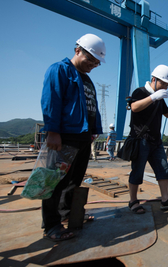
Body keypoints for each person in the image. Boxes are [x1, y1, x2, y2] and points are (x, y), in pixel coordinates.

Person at [40, 33, 105, 241]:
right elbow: (51, 100)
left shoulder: (86, 78)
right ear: (77, 50)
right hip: (65, 136)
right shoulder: (60, 70)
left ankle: (68, 214)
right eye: (91, 60)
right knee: (55, 181)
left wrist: (95, 129)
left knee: (74, 181)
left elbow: (90, 106)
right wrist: (53, 131)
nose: (93, 65)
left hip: (83, 137)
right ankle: (51, 225)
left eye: (97, 62)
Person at [127, 64, 168, 214]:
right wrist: (153, 97)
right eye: (164, 83)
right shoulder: (140, 92)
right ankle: (133, 201)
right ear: (154, 79)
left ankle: (165, 199)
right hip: (141, 139)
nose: (166, 87)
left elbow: (167, 114)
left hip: (156, 141)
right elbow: (134, 107)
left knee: (163, 169)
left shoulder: (160, 97)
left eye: (167, 85)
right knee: (137, 171)